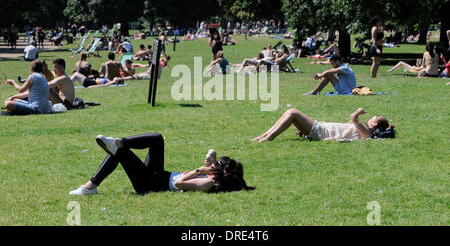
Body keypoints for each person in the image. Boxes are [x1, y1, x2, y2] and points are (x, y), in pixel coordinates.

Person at [69, 133, 254, 195]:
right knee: (157, 139)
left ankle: (90, 186)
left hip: (151, 184)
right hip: (158, 175)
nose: (213, 164)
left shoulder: (207, 183)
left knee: (120, 153)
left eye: (216, 165)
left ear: (220, 173)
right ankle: (120, 142)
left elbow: (179, 183)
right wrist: (211, 159)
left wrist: (199, 170)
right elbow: (212, 152)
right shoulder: (212, 174)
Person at [253, 108, 395, 142]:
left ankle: (268, 137)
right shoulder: (361, 128)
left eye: (372, 119)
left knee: (292, 113)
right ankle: (265, 135)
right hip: (320, 128)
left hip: (321, 132)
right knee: (290, 112)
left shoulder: (367, 133)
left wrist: (357, 113)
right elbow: (350, 122)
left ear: (375, 125)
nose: (369, 119)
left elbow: (352, 118)